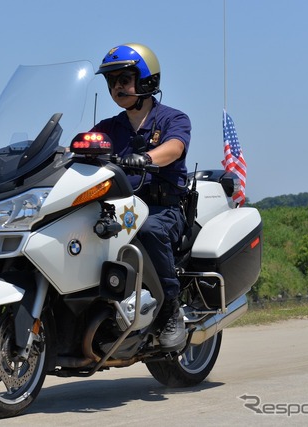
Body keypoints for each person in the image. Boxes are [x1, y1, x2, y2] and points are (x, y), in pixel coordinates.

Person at [91, 43, 191, 351]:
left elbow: (174, 148)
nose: (117, 87)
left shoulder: (173, 119)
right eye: (111, 81)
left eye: (124, 79)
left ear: (147, 81)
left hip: (162, 209)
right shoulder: (109, 128)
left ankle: (171, 310)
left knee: (145, 230)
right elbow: (80, 150)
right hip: (120, 208)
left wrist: (146, 158)